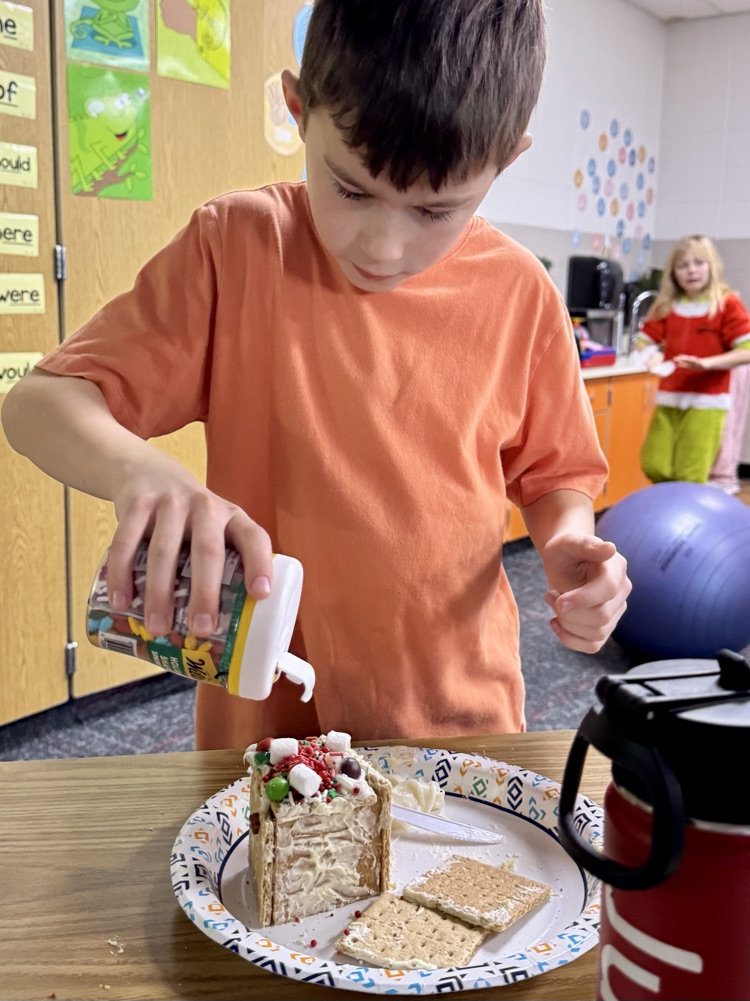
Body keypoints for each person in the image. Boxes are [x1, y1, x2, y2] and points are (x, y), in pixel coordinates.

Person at [2, 0, 630, 750]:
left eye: (436, 211)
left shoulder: (522, 293)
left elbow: (556, 470)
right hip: (268, 728)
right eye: (353, 189)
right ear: (299, 109)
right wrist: (140, 470)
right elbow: (38, 404)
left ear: (506, 161)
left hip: (460, 722)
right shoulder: (235, 249)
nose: (385, 247)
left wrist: (564, 545)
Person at [637, 234, 750, 485]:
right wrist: (651, 355)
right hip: (670, 396)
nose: (691, 271)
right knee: (654, 464)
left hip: (708, 400)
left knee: (690, 473)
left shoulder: (727, 305)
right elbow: (644, 340)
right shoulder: (667, 306)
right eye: (683, 265)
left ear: (712, 267)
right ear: (673, 272)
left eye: (699, 263)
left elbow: (746, 349)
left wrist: (708, 363)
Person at [708, 365, 750, 495]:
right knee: (731, 423)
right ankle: (724, 476)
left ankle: (721, 476)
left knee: (726, 423)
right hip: (735, 365)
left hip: (728, 367)